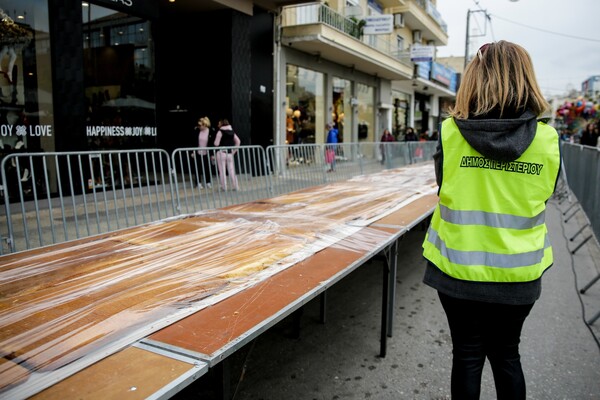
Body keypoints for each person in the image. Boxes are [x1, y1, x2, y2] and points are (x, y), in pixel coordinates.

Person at [421, 41, 561, 400]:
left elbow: (444, 187)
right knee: (507, 355)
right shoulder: (548, 140)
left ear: (474, 79)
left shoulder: (451, 133)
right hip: (518, 274)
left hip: (458, 271)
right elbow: (545, 195)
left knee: (467, 356)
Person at [213, 118, 241, 191]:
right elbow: (238, 141)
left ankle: (224, 187)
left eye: (219, 123)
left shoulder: (220, 132)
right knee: (231, 170)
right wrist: (234, 151)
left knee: (222, 171)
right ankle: (236, 186)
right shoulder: (232, 131)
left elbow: (216, 144)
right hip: (229, 153)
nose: (218, 125)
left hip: (221, 153)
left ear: (222, 124)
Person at [192, 116, 214, 189]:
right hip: (198, 152)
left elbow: (212, 143)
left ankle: (208, 182)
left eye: (201, 125)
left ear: (205, 125)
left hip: (206, 153)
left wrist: (212, 154)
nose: (199, 126)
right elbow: (194, 142)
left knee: (207, 168)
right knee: (197, 168)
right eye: (199, 125)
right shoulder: (196, 131)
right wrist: (193, 151)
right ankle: (198, 183)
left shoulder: (210, 131)